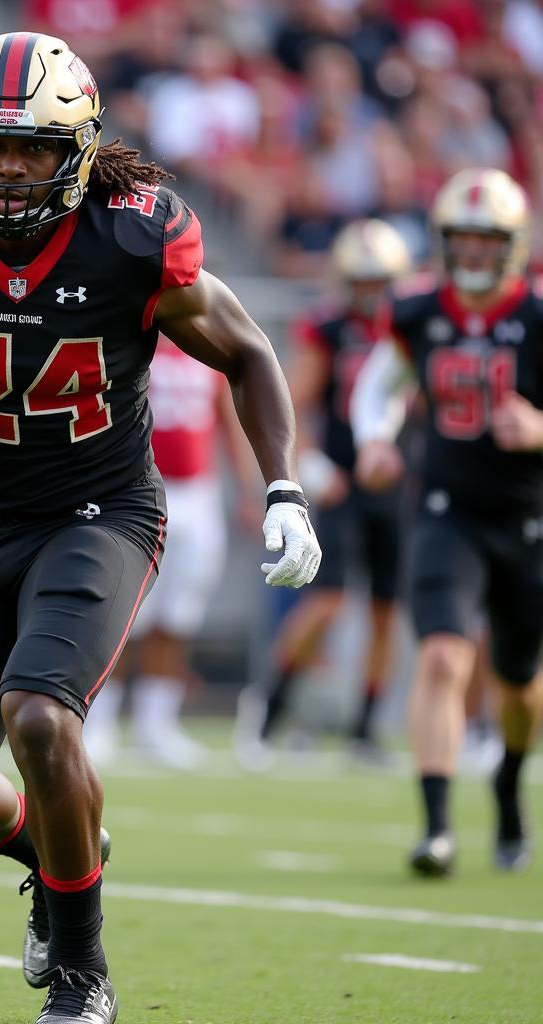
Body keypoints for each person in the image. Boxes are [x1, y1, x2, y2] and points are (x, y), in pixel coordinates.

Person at [0, 33, 320, 1024]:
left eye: (32, 148)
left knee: (38, 714)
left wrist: (283, 487)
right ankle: (55, 848)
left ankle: (82, 973)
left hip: (101, 507)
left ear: (75, 150)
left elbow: (248, 352)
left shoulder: (130, 234)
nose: (6, 169)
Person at [352, 167, 543, 877]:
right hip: (445, 509)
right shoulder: (417, 311)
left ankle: (509, 782)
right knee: (440, 656)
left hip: (526, 517)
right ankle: (436, 828)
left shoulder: (537, 317)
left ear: (512, 245)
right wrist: (376, 436)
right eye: (461, 237)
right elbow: (382, 383)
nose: (472, 251)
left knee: (520, 684)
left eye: (486, 238)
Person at [235, 219, 412, 770]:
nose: (370, 291)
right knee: (328, 603)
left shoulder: (412, 323)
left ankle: (364, 728)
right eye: (361, 280)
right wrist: (312, 463)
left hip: (397, 485)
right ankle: (268, 706)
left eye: (379, 279)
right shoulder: (331, 327)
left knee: (386, 611)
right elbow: (296, 401)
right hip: (341, 486)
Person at [83, 336, 260, 769]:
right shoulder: (130, 342)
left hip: (199, 491)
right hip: (139, 490)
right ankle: (101, 722)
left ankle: (155, 724)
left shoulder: (207, 346)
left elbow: (225, 418)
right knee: (126, 615)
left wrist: (247, 489)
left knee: (180, 614)